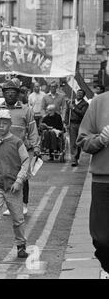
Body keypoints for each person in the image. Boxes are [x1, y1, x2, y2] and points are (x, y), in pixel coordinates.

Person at [0, 80, 41, 216]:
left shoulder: (26, 110)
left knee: (23, 177)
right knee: (5, 176)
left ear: (18, 94)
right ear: (3, 94)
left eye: (13, 92)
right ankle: (10, 204)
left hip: (21, 149)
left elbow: (32, 130)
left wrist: (36, 146)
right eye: (7, 92)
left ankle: (23, 204)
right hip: (2, 149)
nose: (10, 94)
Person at [0, 110, 30, 262]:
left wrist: (19, 180)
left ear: (10, 124)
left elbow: (25, 161)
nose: (1, 126)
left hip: (14, 185)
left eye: (5, 123)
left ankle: (21, 245)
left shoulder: (17, 142)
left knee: (17, 218)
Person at [77, 91, 109, 276]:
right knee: (102, 239)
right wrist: (101, 140)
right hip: (103, 181)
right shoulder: (98, 102)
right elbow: (83, 140)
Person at [65, 89, 88, 167]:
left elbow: (82, 113)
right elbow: (67, 112)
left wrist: (74, 108)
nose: (79, 94)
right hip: (72, 124)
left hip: (80, 124)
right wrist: (66, 123)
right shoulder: (71, 102)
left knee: (78, 142)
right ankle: (73, 159)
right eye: (78, 93)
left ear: (83, 95)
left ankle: (76, 157)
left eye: (81, 93)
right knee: (72, 141)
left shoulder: (85, 104)